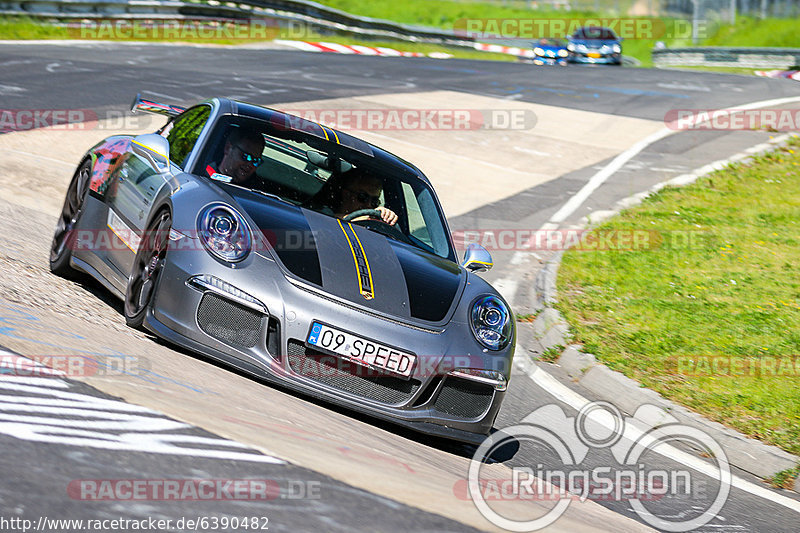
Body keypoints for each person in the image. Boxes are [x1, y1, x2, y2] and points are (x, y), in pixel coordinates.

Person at [330, 171, 398, 225]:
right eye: (363, 197)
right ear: (346, 195)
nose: (369, 205)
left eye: (374, 201)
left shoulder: (371, 222)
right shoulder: (325, 211)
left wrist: (386, 217)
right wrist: (356, 218)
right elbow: (326, 218)